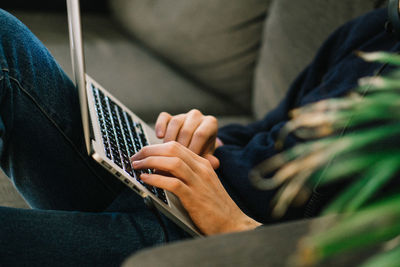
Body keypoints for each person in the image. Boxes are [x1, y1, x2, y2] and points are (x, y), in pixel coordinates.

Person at [0, 5, 397, 266]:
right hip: (180, 186)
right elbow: (271, 129)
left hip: (208, 240)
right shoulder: (376, 30)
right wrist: (212, 142)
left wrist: (233, 227)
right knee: (5, 37)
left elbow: (364, 254)